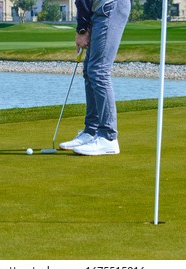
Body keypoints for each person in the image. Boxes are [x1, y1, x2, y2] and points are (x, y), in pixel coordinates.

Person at [59, 0, 131, 156]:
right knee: (89, 70)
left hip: (110, 6)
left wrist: (82, 29)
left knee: (98, 71)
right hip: (100, 8)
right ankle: (91, 131)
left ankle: (108, 137)